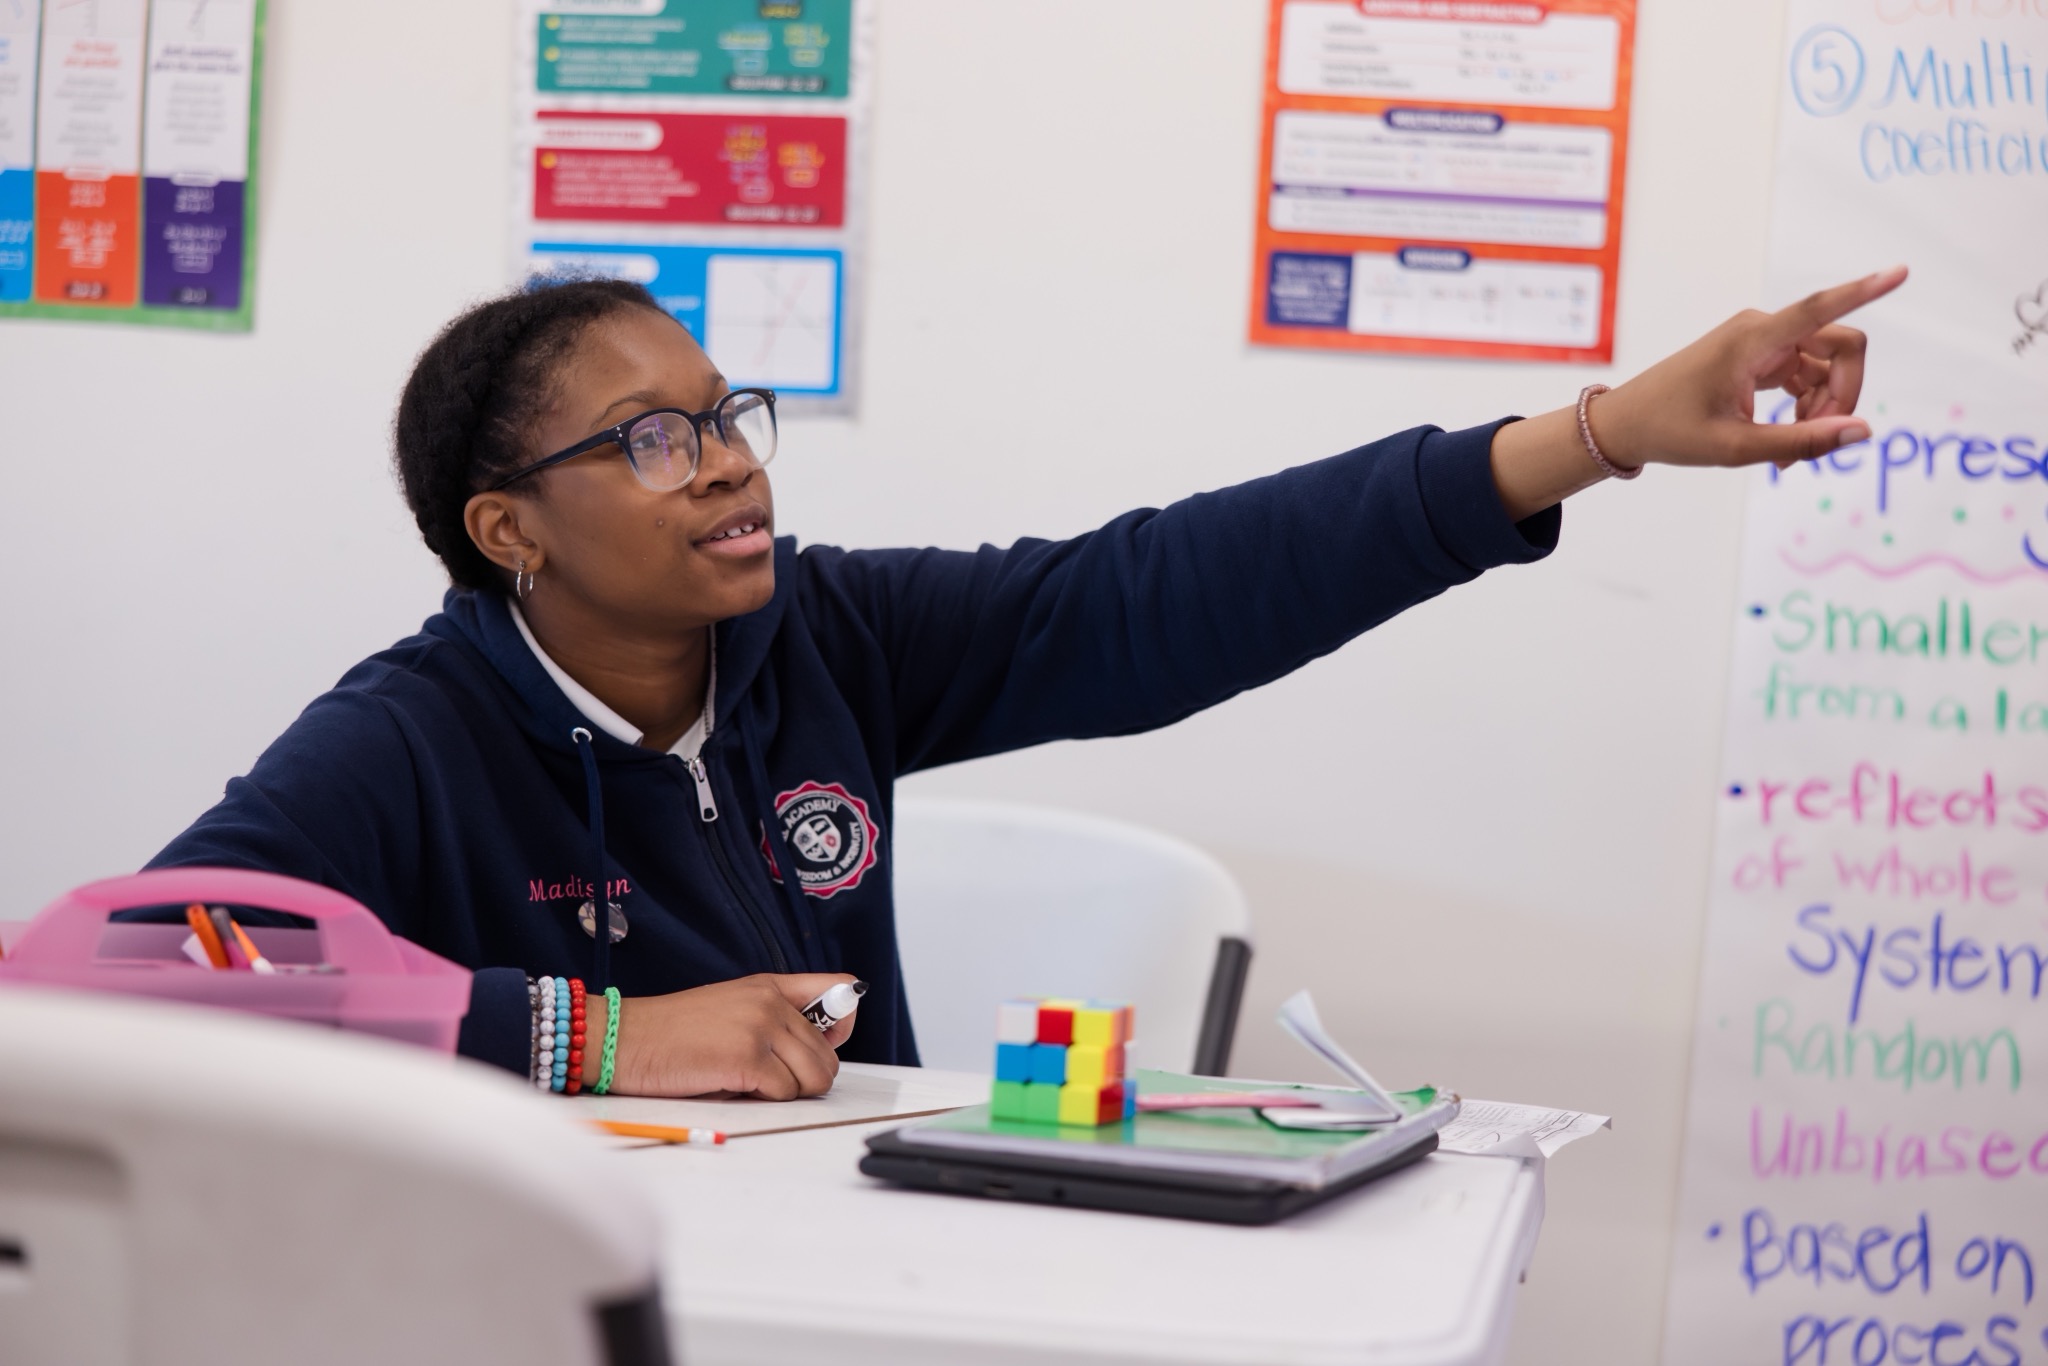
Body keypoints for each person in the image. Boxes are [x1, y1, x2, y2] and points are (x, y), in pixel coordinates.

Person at [150, 266, 1908, 1099]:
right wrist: (589, 1032)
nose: (730, 463)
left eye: (726, 416)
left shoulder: (822, 638)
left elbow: (1161, 592)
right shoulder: (413, 736)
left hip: (855, 1270)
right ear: (508, 528)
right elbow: (134, 962)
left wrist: (1594, 434)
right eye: (654, 440)